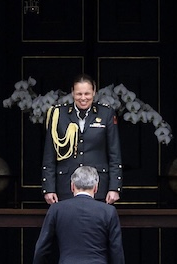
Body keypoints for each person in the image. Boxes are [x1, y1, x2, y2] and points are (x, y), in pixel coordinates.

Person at [41, 74, 122, 205]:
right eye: (79, 94)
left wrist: (114, 187)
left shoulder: (106, 113)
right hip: (66, 186)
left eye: (87, 93)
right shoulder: (58, 115)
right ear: (72, 92)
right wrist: (48, 188)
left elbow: (114, 153)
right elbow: (49, 154)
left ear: (94, 92)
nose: (83, 98)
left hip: (98, 186)